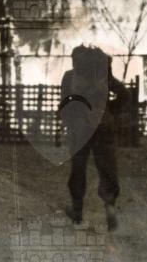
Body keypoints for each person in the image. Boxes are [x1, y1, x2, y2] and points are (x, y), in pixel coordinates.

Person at [60, 45, 130, 231]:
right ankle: (110, 207)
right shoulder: (103, 76)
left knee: (78, 169)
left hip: (80, 128)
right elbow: (125, 94)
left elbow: (65, 103)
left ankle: (77, 212)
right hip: (103, 125)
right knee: (107, 168)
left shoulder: (69, 77)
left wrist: (69, 120)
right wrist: (110, 110)